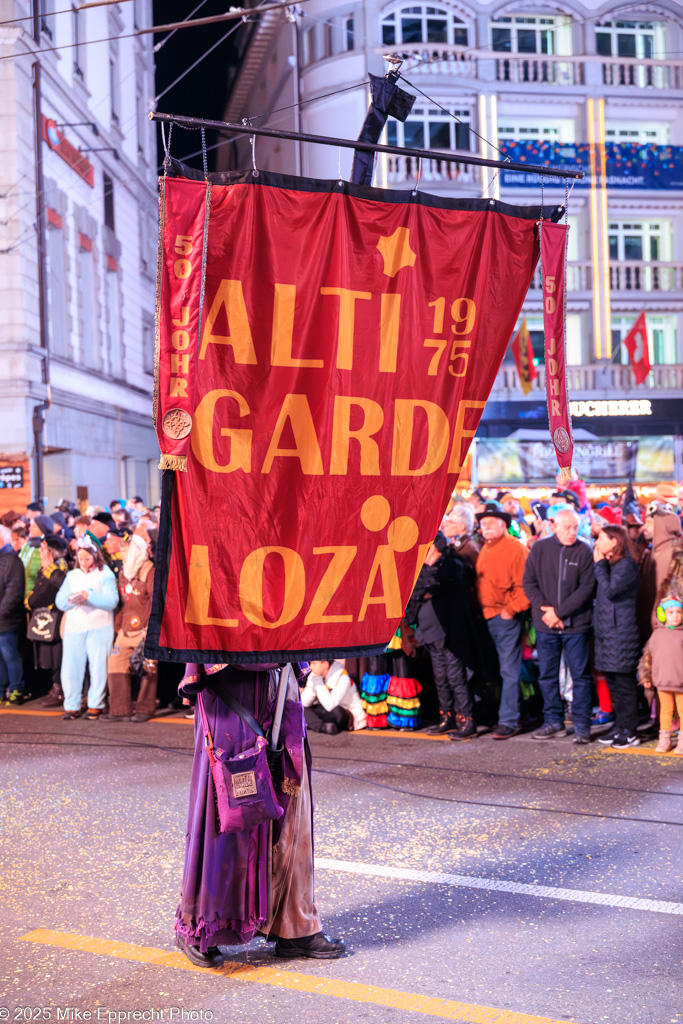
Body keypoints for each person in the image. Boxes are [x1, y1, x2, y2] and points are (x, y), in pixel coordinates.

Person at [175, 662, 345, 964]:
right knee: (230, 806)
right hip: (231, 686)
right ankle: (204, 922)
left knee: (293, 807)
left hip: (281, 682)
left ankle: (295, 924)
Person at [523, 507, 595, 744]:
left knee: (581, 676)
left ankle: (583, 725)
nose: (572, 532)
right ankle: (553, 721)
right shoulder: (540, 549)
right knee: (547, 675)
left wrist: (560, 613)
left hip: (576, 625)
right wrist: (547, 611)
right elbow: (529, 583)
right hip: (546, 625)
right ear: (553, 526)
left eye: (575, 527)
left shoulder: (585, 551)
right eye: (567, 527)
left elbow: (586, 590)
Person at [405, 535, 477, 739]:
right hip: (428, 633)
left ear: (435, 547)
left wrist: (428, 591)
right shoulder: (422, 570)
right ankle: (447, 718)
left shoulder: (452, 565)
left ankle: (467, 720)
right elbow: (416, 593)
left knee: (456, 678)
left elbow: (444, 587)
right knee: (440, 679)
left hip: (450, 634)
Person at [475, 501, 529, 740]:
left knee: (509, 670)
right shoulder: (487, 546)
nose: (484, 526)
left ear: (503, 524)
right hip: (488, 616)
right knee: (503, 670)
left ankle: (509, 720)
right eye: (482, 523)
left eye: (489, 522)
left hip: (504, 617)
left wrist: (511, 609)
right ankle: (510, 714)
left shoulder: (515, 548)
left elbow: (525, 586)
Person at [55, 536, 118, 720]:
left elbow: (111, 600)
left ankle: (95, 704)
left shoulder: (105, 574)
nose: (83, 562)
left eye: (87, 558)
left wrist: (88, 596)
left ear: (95, 556)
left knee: (98, 667)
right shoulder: (72, 575)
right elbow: (60, 601)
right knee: (71, 668)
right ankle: (72, 704)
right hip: (74, 627)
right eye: (80, 559)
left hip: (99, 626)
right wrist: (71, 599)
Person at [592, 525, 641, 749]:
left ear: (614, 541)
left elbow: (611, 591)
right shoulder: (613, 565)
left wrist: (600, 564)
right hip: (607, 634)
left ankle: (630, 730)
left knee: (624, 684)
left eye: (601, 538)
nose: (597, 542)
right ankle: (619, 726)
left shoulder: (626, 565)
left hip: (621, 634)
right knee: (613, 682)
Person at [104, 533, 157, 722]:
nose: (121, 554)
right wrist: (119, 624)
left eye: (124, 550)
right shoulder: (124, 573)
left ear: (135, 551)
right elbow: (124, 602)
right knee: (115, 663)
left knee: (148, 667)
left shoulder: (150, 571)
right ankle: (119, 709)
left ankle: (144, 708)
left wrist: (150, 630)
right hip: (126, 628)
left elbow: (155, 602)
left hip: (144, 630)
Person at [27, 534, 69, 707]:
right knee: (50, 657)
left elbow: (50, 591)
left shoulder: (59, 567)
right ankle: (55, 688)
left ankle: (59, 690)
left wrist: (32, 601)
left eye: (44, 549)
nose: (41, 552)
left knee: (58, 656)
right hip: (46, 616)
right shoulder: (47, 568)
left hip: (56, 617)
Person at [639, 595, 683, 754]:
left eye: (679, 612)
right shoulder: (656, 635)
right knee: (665, 711)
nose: (675, 615)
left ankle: (682, 742)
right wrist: (646, 676)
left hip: (681, 683)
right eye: (671, 612)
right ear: (662, 615)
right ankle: (665, 740)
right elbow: (647, 658)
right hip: (663, 682)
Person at [301, 659, 365, 733]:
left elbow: (331, 705)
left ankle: (312, 723)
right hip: (326, 710)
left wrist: (318, 685)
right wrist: (313, 686)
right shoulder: (315, 676)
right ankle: (323, 727)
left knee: (337, 712)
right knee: (301, 710)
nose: (310, 667)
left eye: (314, 664)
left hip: (347, 712)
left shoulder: (342, 677)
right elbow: (304, 703)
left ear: (325, 665)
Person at [0, 524, 26, 704]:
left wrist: (1, 612)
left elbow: (14, 591)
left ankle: (16, 689)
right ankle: (1, 690)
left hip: (7, 619)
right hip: (4, 617)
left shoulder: (12, 560)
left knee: (10, 655)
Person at [441, 504, 480, 568]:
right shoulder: (458, 544)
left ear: (461, 527)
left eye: (449, 522)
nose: (445, 525)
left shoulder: (470, 549)